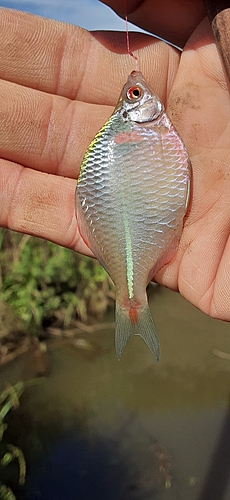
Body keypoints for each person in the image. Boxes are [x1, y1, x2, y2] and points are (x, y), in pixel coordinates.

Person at [0, 1, 229, 322]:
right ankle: (132, 299)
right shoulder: (132, 133)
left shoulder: (140, 133)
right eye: (136, 94)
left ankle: (132, 296)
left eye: (133, 94)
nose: (139, 92)